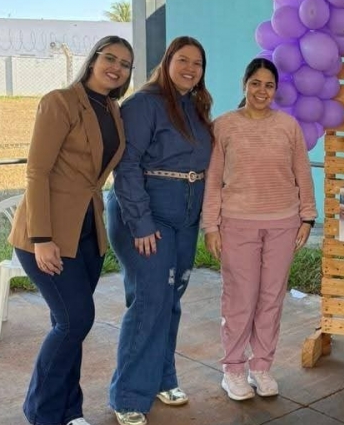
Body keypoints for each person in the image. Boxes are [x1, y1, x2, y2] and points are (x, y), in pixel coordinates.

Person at [8, 35, 133, 425]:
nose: (116, 66)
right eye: (109, 57)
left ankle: (69, 409)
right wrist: (42, 238)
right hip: (48, 235)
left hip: (87, 234)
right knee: (74, 320)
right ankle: (42, 411)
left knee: (67, 325)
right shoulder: (60, 101)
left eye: (125, 63)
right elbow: (37, 170)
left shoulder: (112, 109)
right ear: (93, 59)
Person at [106, 36, 214, 425]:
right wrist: (141, 223)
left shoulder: (197, 108)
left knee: (170, 301)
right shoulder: (143, 104)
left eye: (197, 63)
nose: (190, 68)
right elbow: (127, 166)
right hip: (148, 217)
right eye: (182, 60)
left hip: (184, 219)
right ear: (166, 62)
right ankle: (129, 395)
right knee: (149, 302)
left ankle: (162, 378)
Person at [202, 58, 316, 401]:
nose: (261, 91)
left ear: (275, 89)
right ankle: (233, 369)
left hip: (283, 224)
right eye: (255, 83)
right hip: (237, 225)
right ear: (244, 84)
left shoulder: (288, 126)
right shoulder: (223, 126)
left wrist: (307, 218)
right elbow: (212, 181)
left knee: (270, 300)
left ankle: (261, 367)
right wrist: (211, 226)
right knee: (240, 299)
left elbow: (302, 173)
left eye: (268, 85)